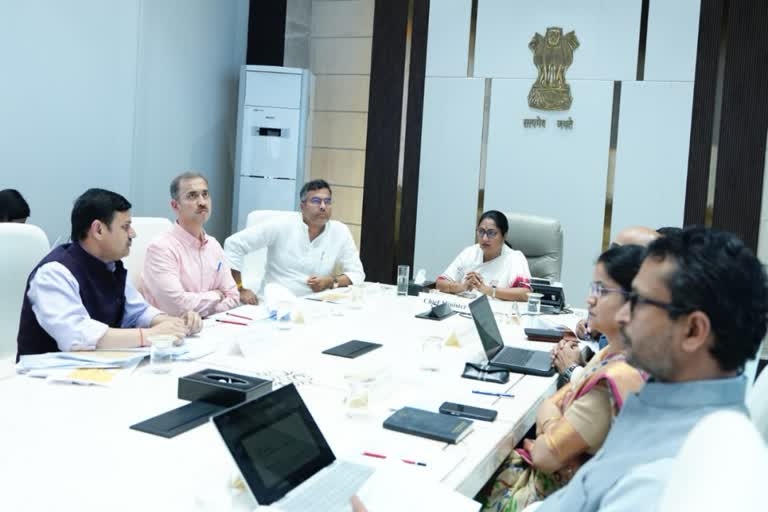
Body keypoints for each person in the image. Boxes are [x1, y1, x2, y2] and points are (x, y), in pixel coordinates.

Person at [534, 226, 767, 511]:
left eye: (638, 301)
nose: (622, 315)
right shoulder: (662, 404)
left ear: (693, 330)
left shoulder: (667, 479)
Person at [479, 245, 647, 511]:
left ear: (633, 302)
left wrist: (547, 430)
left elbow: (544, 455)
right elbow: (554, 400)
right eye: (593, 288)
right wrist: (554, 427)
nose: (590, 299)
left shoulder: (613, 380)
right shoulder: (612, 351)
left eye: (602, 291)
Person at [16, 188, 202, 359]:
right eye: (125, 226)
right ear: (98, 230)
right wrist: (150, 335)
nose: (133, 234)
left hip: (93, 367)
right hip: (45, 374)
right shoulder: (54, 272)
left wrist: (172, 323)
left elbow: (137, 311)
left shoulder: (110, 265)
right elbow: (77, 336)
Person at [224, 179, 365, 300]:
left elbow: (357, 274)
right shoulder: (281, 224)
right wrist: (239, 288)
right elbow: (234, 244)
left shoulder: (340, 231)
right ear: (302, 206)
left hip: (317, 304)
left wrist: (331, 282)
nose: (323, 207)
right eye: (316, 201)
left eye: (327, 202)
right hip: (274, 304)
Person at [554, 225, 660, 382]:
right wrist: (584, 365)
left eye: (603, 291)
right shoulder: (616, 345)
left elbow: (613, 381)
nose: (590, 300)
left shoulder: (641, 358)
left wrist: (572, 370)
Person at [142, 172, 239, 317]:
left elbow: (233, 296)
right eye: (192, 196)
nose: (202, 202)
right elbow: (176, 306)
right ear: (175, 205)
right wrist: (216, 296)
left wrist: (204, 311)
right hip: (172, 328)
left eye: (205, 194)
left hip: (213, 325)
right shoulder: (161, 248)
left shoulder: (213, 245)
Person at [436, 210, 531, 301]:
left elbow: (525, 294)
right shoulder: (469, 252)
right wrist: (462, 286)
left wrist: (486, 289)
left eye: (491, 233)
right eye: (481, 232)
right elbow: (440, 283)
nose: (485, 238)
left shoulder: (515, 258)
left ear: (504, 235)